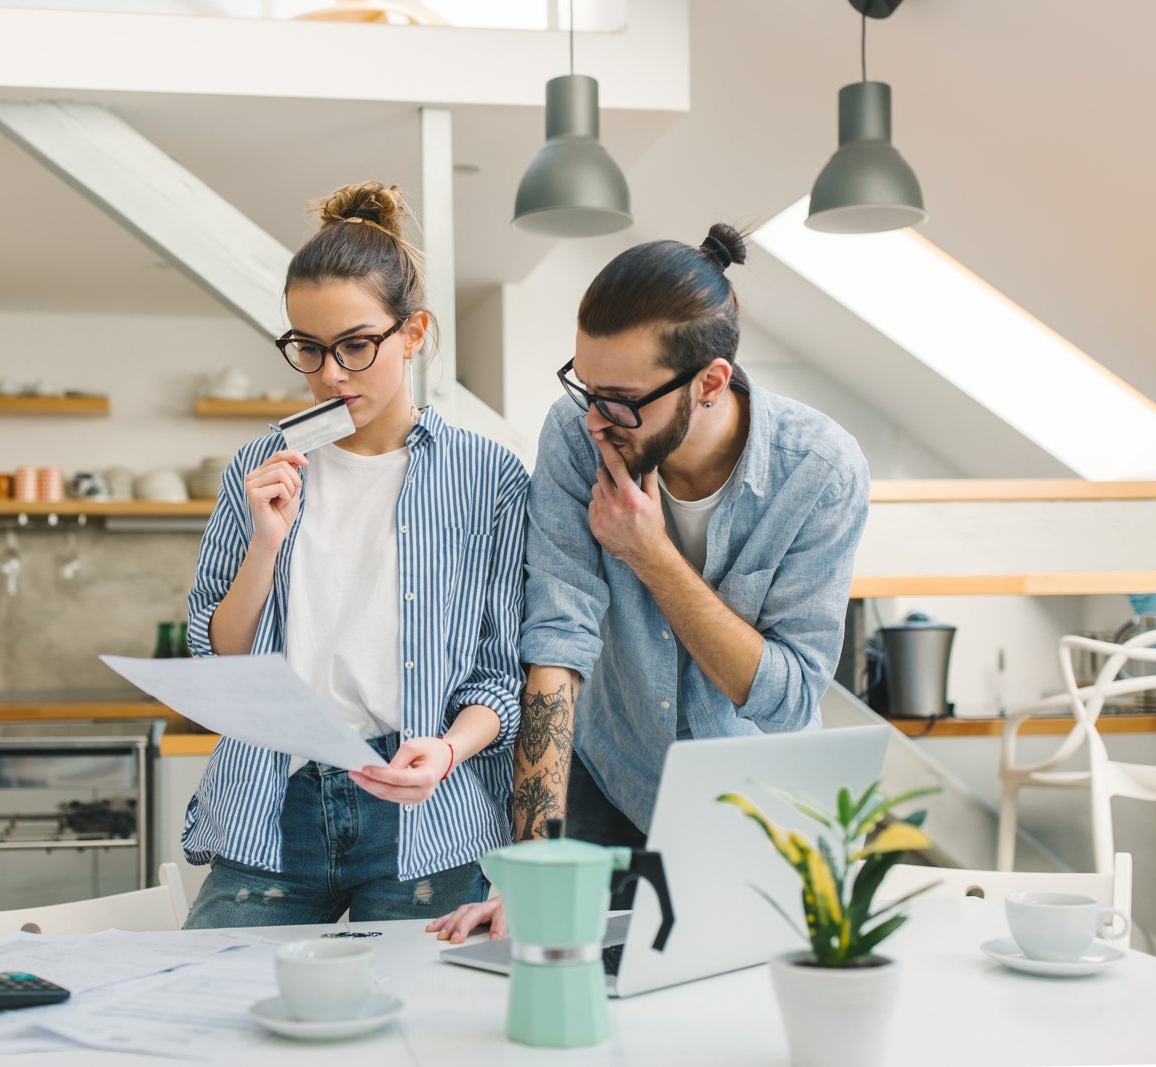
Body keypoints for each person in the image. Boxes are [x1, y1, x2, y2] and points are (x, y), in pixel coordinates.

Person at [428, 223, 870, 941]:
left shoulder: (819, 471)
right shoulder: (579, 435)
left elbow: (787, 699)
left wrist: (651, 553)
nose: (597, 419)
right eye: (585, 385)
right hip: (612, 778)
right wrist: (531, 866)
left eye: (621, 398)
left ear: (709, 383)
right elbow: (555, 649)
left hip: (751, 800)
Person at [181, 181, 529, 928]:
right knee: (209, 1021)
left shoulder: (488, 477)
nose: (330, 374)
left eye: (356, 345)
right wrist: (266, 544)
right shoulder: (259, 465)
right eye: (307, 347)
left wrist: (446, 749)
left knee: (427, 1034)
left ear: (415, 333)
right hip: (273, 801)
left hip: (422, 810)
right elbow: (218, 656)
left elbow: (501, 676)